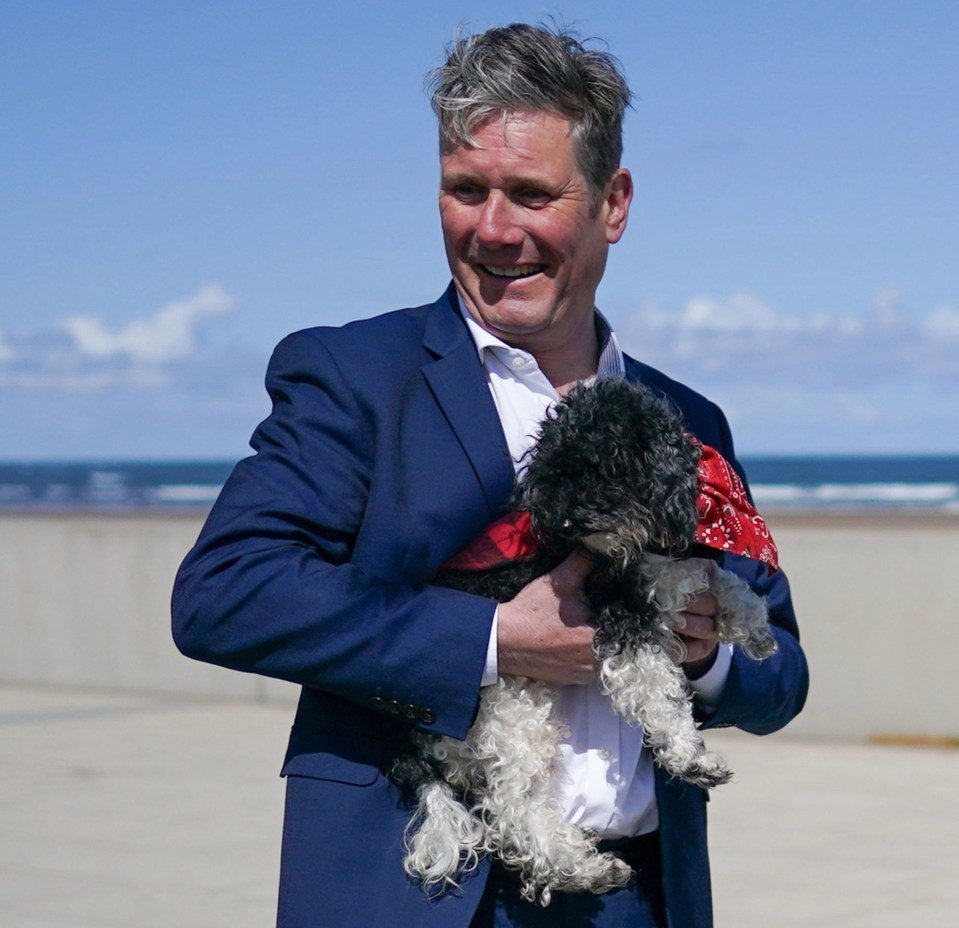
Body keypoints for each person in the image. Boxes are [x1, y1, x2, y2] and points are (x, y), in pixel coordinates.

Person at [172, 22, 808, 928]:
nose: (493, 229)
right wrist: (496, 638)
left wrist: (702, 656)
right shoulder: (354, 377)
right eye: (465, 191)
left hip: (638, 900)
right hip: (415, 894)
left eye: (531, 194)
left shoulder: (689, 424)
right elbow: (223, 595)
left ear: (613, 204)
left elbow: (781, 674)